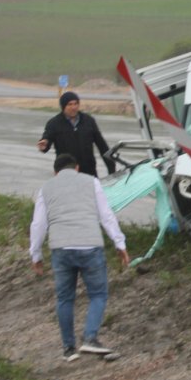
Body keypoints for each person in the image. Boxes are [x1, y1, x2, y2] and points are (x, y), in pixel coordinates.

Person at [30, 153, 130, 360]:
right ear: (76, 168)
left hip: (61, 249)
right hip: (90, 245)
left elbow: (38, 224)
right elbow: (106, 215)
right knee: (98, 294)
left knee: (65, 298)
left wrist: (36, 255)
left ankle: (68, 349)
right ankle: (90, 338)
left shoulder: (46, 188)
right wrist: (119, 243)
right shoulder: (91, 182)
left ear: (55, 172)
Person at [37, 91, 116, 177]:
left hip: (89, 171)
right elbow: (47, 139)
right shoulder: (54, 123)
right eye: (70, 104)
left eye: (76, 104)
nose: (73, 107)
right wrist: (44, 145)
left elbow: (102, 146)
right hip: (66, 171)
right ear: (63, 107)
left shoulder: (88, 121)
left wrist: (111, 169)